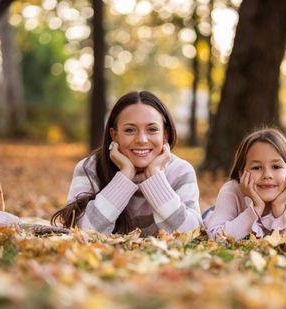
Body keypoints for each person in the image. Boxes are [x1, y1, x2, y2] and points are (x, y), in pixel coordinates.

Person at [51, 91, 202, 235]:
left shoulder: (181, 171)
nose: (142, 139)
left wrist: (156, 178)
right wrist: (124, 176)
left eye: (152, 129)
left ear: (165, 134)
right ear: (114, 135)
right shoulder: (90, 168)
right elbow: (82, 231)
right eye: (130, 130)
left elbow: (192, 232)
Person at [204, 128, 286, 243]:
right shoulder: (231, 190)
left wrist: (279, 209)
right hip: (216, 215)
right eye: (256, 168)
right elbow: (216, 237)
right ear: (242, 173)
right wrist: (256, 209)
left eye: (276, 167)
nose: (267, 175)